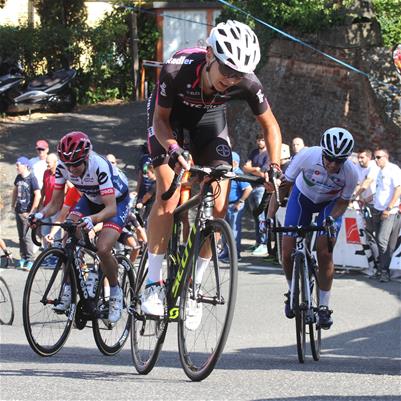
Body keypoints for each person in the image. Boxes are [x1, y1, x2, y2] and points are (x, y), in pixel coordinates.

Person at [142, 19, 282, 317]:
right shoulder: (176, 69)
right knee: (168, 196)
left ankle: (194, 286)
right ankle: (153, 282)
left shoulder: (247, 82)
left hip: (210, 125)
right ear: (209, 55)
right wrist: (174, 149)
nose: (231, 79)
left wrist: (274, 167)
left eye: (239, 74)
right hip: (169, 122)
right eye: (227, 70)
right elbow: (160, 121)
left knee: (219, 207)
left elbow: (270, 126)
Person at [29, 131, 130, 323]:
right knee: (69, 234)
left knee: (103, 248)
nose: (71, 169)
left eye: (76, 164)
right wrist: (40, 215)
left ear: (86, 158)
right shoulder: (62, 167)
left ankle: (116, 292)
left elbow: (109, 208)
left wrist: (93, 219)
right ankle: (69, 288)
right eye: (68, 164)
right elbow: (55, 204)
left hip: (116, 202)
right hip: (91, 199)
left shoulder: (99, 166)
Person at [281, 128, 358, 330]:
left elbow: (343, 202)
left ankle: (324, 305)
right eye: (329, 158)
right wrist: (272, 211)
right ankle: (291, 291)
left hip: (330, 205)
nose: (333, 165)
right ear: (323, 152)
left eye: (339, 161)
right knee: (287, 250)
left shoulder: (351, 172)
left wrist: (330, 220)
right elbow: (285, 183)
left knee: (324, 252)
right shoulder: (307, 155)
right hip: (302, 198)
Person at [370, 149, 401, 282]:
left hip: (390, 212)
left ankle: (384, 271)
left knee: (383, 241)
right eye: (374, 157)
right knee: (381, 242)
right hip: (377, 210)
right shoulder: (379, 171)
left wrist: (388, 208)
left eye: (378, 157)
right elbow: (380, 190)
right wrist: (367, 199)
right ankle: (382, 269)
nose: (376, 160)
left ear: (386, 157)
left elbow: (398, 189)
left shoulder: (393, 169)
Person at [219, 152, 252, 262]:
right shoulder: (228, 173)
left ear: (234, 162)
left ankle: (234, 255)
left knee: (234, 231)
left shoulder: (238, 174)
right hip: (227, 205)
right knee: (225, 230)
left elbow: (248, 189)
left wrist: (240, 202)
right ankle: (226, 253)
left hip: (234, 206)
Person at [242, 133, 270, 256]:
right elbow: (245, 168)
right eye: (258, 140)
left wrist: (251, 169)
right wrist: (255, 169)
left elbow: (263, 173)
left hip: (261, 188)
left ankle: (264, 244)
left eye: (262, 140)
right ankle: (258, 242)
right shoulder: (253, 153)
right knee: (255, 217)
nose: (260, 142)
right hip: (251, 187)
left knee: (261, 217)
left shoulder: (268, 154)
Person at [11, 156, 41, 270]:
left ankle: (30, 260)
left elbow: (38, 195)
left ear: (25, 166)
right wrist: (13, 205)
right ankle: (23, 257)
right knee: (21, 237)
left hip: (27, 212)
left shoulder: (32, 178)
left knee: (27, 237)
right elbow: (15, 190)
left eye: (18, 165)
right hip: (19, 211)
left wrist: (32, 212)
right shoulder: (18, 177)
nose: (16, 167)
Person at [39, 153, 60, 249]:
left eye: (49, 162)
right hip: (46, 206)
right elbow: (43, 188)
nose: (47, 164)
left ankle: (57, 253)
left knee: (55, 233)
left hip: (57, 208)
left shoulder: (60, 174)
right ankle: (46, 252)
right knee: (44, 231)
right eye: (46, 162)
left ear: (55, 162)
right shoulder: (46, 172)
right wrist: (40, 203)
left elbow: (67, 190)